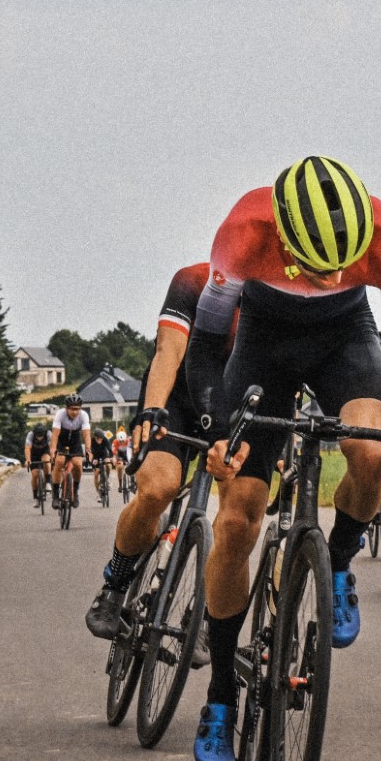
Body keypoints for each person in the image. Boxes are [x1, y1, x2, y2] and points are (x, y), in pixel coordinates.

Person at [181, 156, 381, 761]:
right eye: (317, 267)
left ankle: (337, 562)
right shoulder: (245, 229)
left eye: (343, 266)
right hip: (261, 344)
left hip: (345, 338)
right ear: (285, 236)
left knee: (372, 450)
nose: (331, 277)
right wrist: (217, 432)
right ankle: (220, 693)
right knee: (237, 520)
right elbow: (205, 346)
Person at [85, 261, 236, 639]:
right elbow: (168, 350)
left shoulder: (279, 295)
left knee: (238, 512)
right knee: (157, 489)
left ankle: (207, 613)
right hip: (175, 399)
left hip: (230, 406)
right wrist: (152, 410)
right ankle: (116, 583)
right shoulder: (194, 280)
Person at [52, 395, 91, 507]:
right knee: (59, 461)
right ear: (66, 408)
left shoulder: (84, 415)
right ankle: (55, 496)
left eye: (77, 409)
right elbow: (55, 435)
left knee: (78, 464)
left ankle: (75, 492)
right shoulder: (60, 414)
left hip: (75, 440)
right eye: (72, 409)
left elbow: (86, 435)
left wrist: (88, 450)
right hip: (61, 439)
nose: (75, 412)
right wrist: (53, 449)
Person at [25, 420, 53, 505]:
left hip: (45, 452)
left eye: (41, 435)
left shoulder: (48, 433)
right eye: (37, 435)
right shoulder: (30, 435)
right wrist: (28, 459)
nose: (39, 438)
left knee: (46, 461)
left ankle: (48, 482)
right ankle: (35, 495)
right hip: (34, 454)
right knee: (34, 475)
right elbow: (27, 448)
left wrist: (52, 457)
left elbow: (52, 447)